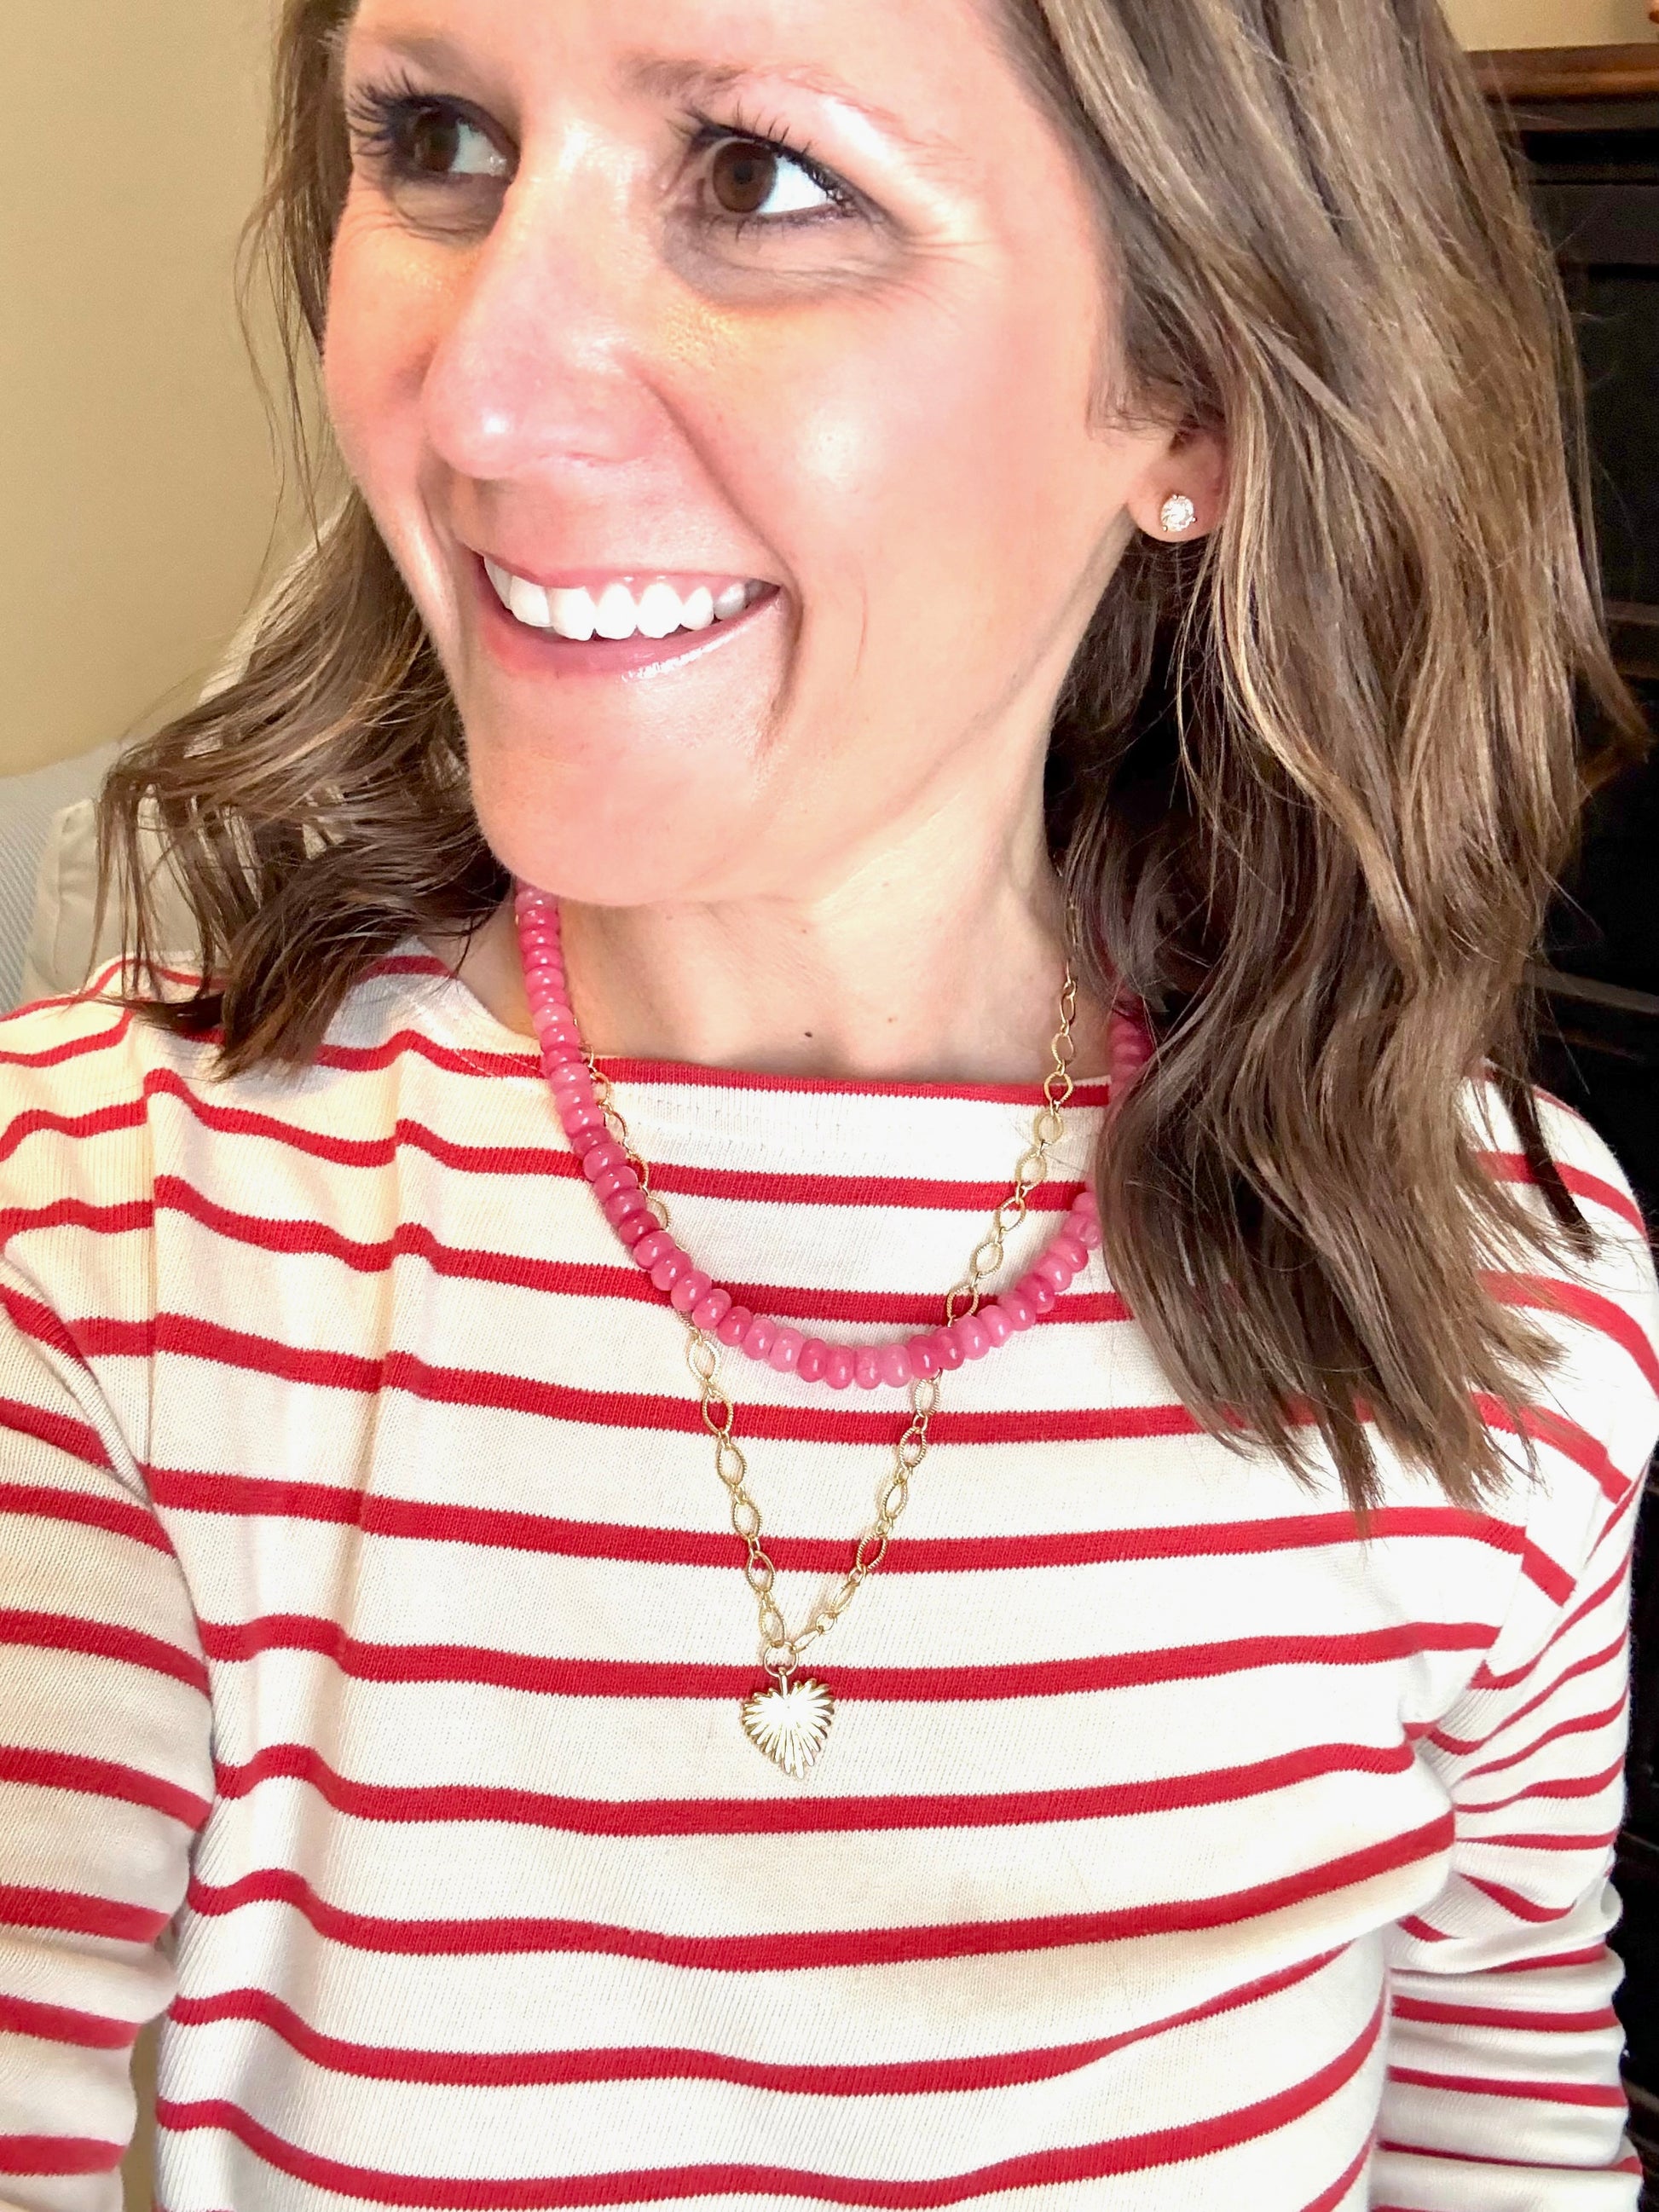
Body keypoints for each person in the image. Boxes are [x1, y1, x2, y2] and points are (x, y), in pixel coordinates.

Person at [2, 0, 1656, 2204]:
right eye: (438, 140)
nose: (475, 392)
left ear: (1194, 388)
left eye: (764, 179)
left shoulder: (1500, 1299)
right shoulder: (102, 1238)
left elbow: (1496, 2090)